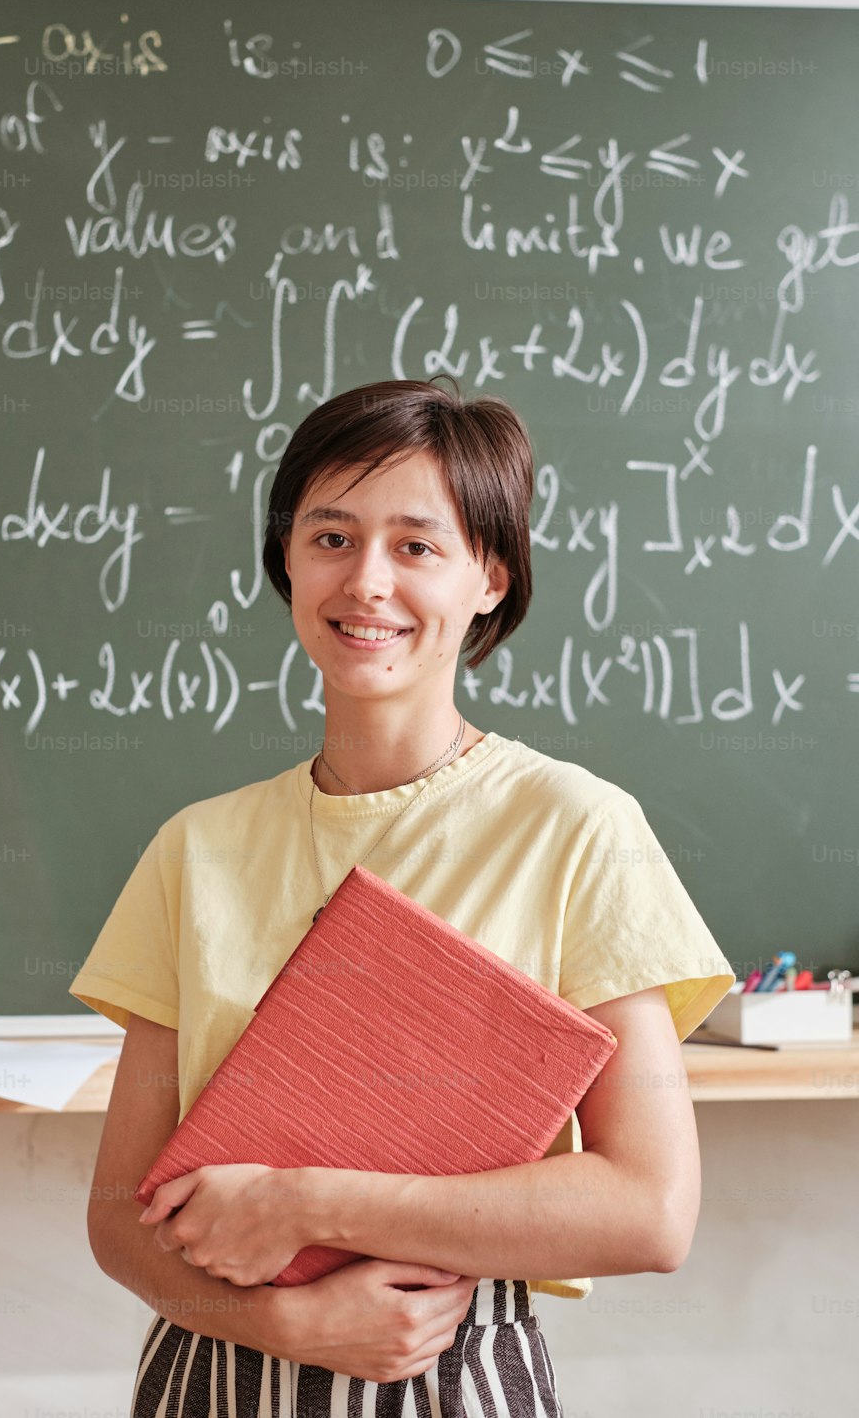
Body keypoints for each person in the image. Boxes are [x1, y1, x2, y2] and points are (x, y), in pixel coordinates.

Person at [69, 378, 735, 1417]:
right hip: (212, 1371)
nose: (366, 582)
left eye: (417, 545)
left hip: (450, 1371)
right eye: (329, 537)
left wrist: (307, 1203)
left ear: (489, 577)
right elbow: (120, 1219)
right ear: (286, 562)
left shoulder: (575, 829)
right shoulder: (195, 850)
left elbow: (649, 1211)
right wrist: (283, 1323)